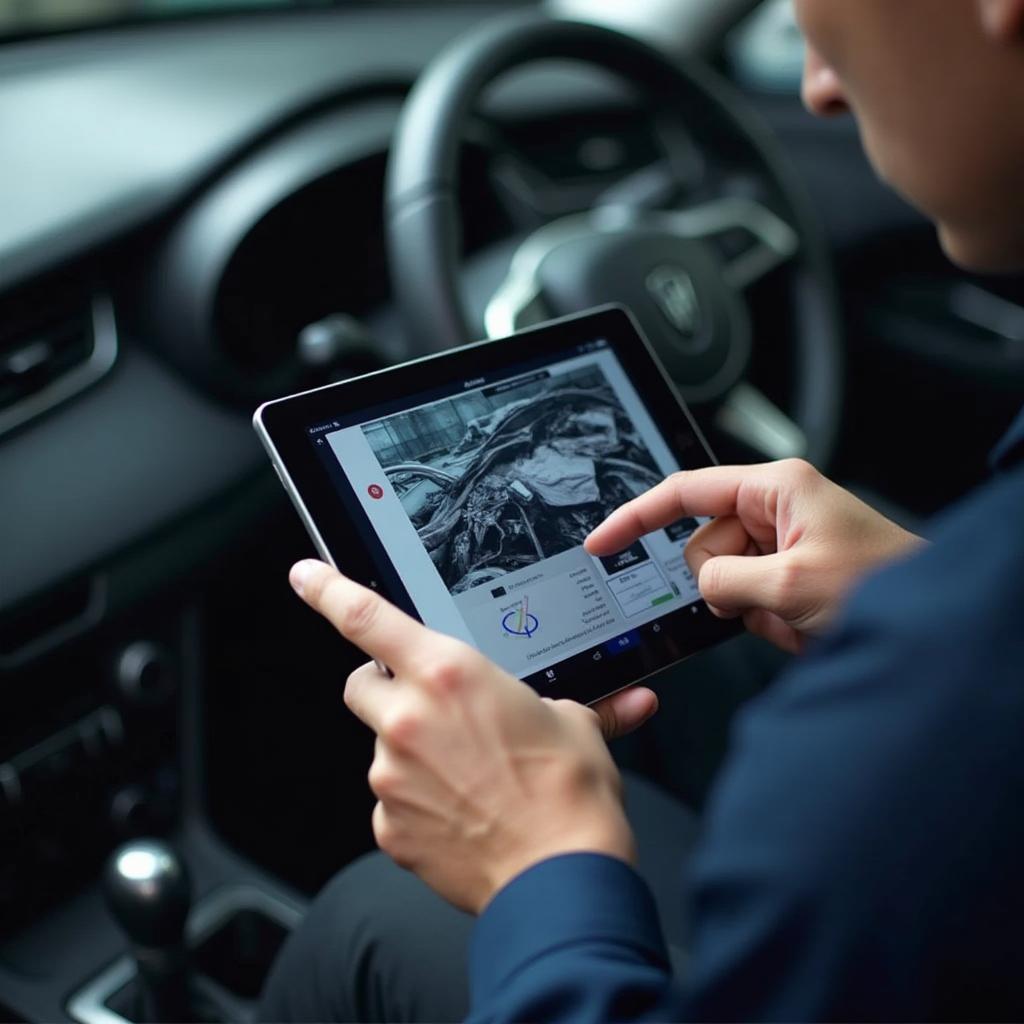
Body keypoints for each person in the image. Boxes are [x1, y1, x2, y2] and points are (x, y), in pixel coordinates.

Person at [259, 0, 1024, 1019]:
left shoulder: (908, 719)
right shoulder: (962, 621)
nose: (817, 87)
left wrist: (537, 865)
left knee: (375, 909)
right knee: (702, 651)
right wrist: (917, 591)